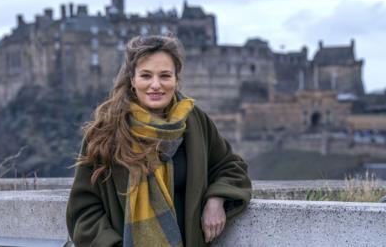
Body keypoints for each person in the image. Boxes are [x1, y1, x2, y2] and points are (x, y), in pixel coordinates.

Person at [66, 35, 251, 247]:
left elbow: (231, 166)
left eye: (165, 76)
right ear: (133, 80)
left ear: (176, 79)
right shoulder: (106, 131)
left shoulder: (195, 121)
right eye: (146, 76)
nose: (156, 85)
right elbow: (84, 209)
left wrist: (216, 199)